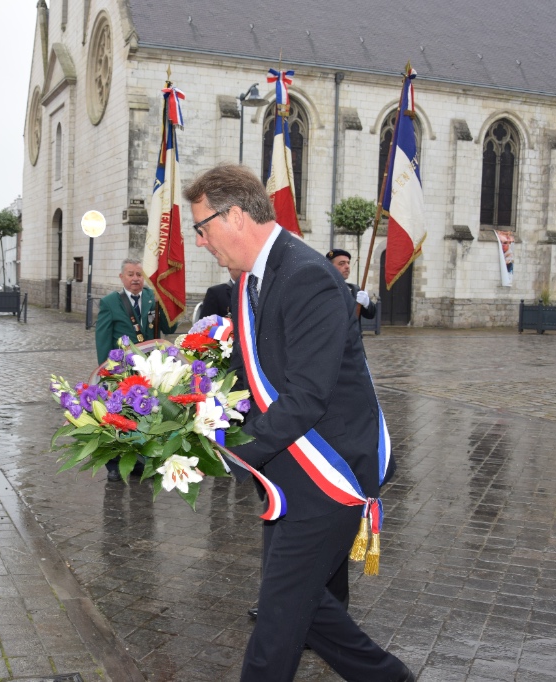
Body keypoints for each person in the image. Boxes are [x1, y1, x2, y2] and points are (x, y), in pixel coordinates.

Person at [184, 164, 411, 682]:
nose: (200, 242)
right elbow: (249, 371)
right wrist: (184, 399)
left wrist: (228, 453)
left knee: (280, 618)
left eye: (202, 228)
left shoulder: (306, 275)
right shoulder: (254, 278)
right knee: (304, 606)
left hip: (330, 474)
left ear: (235, 216)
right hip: (290, 474)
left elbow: (306, 396)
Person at [94, 258, 177, 482]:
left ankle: (142, 462)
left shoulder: (153, 298)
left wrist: (170, 305)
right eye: (130, 274)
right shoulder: (110, 302)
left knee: (146, 413)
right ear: (122, 277)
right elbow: (103, 339)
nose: (135, 279)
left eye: (139, 274)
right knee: (117, 415)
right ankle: (113, 465)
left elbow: (169, 328)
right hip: (121, 371)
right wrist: (106, 370)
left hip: (149, 369)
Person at [327, 248, 377, 319]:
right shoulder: (323, 289)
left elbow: (371, 315)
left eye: (348, 263)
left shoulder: (354, 289)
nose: (347, 267)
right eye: (342, 263)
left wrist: (367, 303)